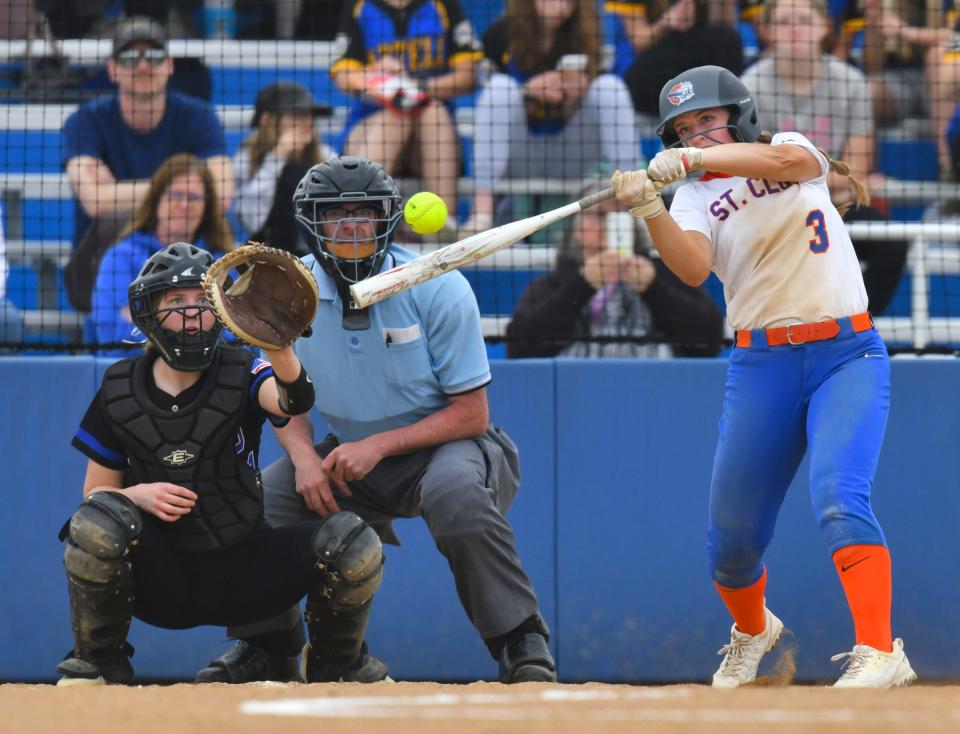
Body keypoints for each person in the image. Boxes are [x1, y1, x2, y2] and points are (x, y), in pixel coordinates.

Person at [611, 65, 916, 687]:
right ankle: (753, 631)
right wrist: (650, 207)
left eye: (707, 121)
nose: (697, 134)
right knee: (731, 542)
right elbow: (694, 269)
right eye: (684, 129)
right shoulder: (692, 196)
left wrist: (693, 157)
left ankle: (882, 651)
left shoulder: (790, 145)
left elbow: (792, 168)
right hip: (761, 365)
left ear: (738, 115)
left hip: (845, 354)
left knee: (839, 499)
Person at [199, 156, 557, 685]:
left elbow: (472, 414)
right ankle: (267, 647)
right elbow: (282, 395)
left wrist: (379, 447)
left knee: (454, 492)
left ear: (388, 219)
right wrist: (303, 460)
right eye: (334, 215)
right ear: (312, 225)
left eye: (364, 214)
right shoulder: (283, 292)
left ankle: (520, 640)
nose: (351, 228)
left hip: (448, 445)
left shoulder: (439, 287)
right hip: (348, 455)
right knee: (259, 501)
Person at [56, 242, 385, 685]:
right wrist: (136, 495)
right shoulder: (118, 387)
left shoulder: (244, 369)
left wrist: (280, 346)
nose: (192, 313)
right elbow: (94, 496)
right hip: (162, 582)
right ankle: (98, 663)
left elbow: (293, 399)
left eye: (202, 300)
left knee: (352, 544)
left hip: (245, 573)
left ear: (223, 309)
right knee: (95, 524)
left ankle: (336, 665)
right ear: (148, 311)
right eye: (176, 301)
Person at [741, 0, 907, 316]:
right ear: (770, 31)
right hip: (776, 211)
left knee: (892, 241)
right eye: (785, 21)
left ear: (823, 28)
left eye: (803, 20)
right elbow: (759, 172)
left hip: (838, 208)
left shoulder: (851, 83)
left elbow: (856, 171)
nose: (794, 29)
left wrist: (798, 176)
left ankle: (855, 324)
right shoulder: (751, 86)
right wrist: (828, 180)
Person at [61, 16, 233, 309]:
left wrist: (117, 190)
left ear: (169, 65)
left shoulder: (199, 116)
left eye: (153, 56)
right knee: (115, 222)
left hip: (190, 259)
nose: (142, 66)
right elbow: (95, 202)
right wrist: (185, 186)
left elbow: (221, 196)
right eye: (129, 58)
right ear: (113, 70)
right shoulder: (85, 121)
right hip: (105, 261)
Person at [462, 0, 640, 236]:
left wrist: (575, 96)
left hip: (572, 152)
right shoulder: (500, 33)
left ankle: (638, 206)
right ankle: (481, 214)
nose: (560, 6)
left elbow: (599, 94)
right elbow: (484, 99)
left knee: (610, 88)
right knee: (499, 89)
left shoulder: (586, 32)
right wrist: (527, 91)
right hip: (518, 155)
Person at [506, 175, 724, 358]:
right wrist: (582, 284)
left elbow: (710, 339)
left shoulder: (662, 272)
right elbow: (519, 346)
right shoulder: (558, 281)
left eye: (620, 213)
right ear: (578, 226)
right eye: (600, 215)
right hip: (578, 388)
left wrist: (654, 288)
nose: (610, 222)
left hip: (656, 386)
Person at [329, 0, 482, 239]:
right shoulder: (358, 7)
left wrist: (414, 88)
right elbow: (343, 75)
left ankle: (442, 224)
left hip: (429, 142)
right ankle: (359, 222)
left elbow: (469, 75)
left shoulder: (444, 5)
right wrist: (379, 77)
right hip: (373, 128)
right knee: (396, 116)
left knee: (431, 110)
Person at [90, 153, 233, 355]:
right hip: (134, 373)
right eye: (175, 195)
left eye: (194, 198)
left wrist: (147, 323)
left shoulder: (223, 264)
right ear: (157, 199)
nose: (184, 205)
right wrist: (197, 333)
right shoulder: (120, 258)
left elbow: (236, 335)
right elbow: (112, 336)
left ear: (206, 207)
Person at [234, 81, 334, 256]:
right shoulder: (245, 158)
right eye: (297, 115)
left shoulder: (327, 157)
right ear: (267, 120)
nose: (308, 122)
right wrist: (278, 157)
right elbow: (251, 220)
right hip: (265, 255)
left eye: (309, 115)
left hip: (318, 254)